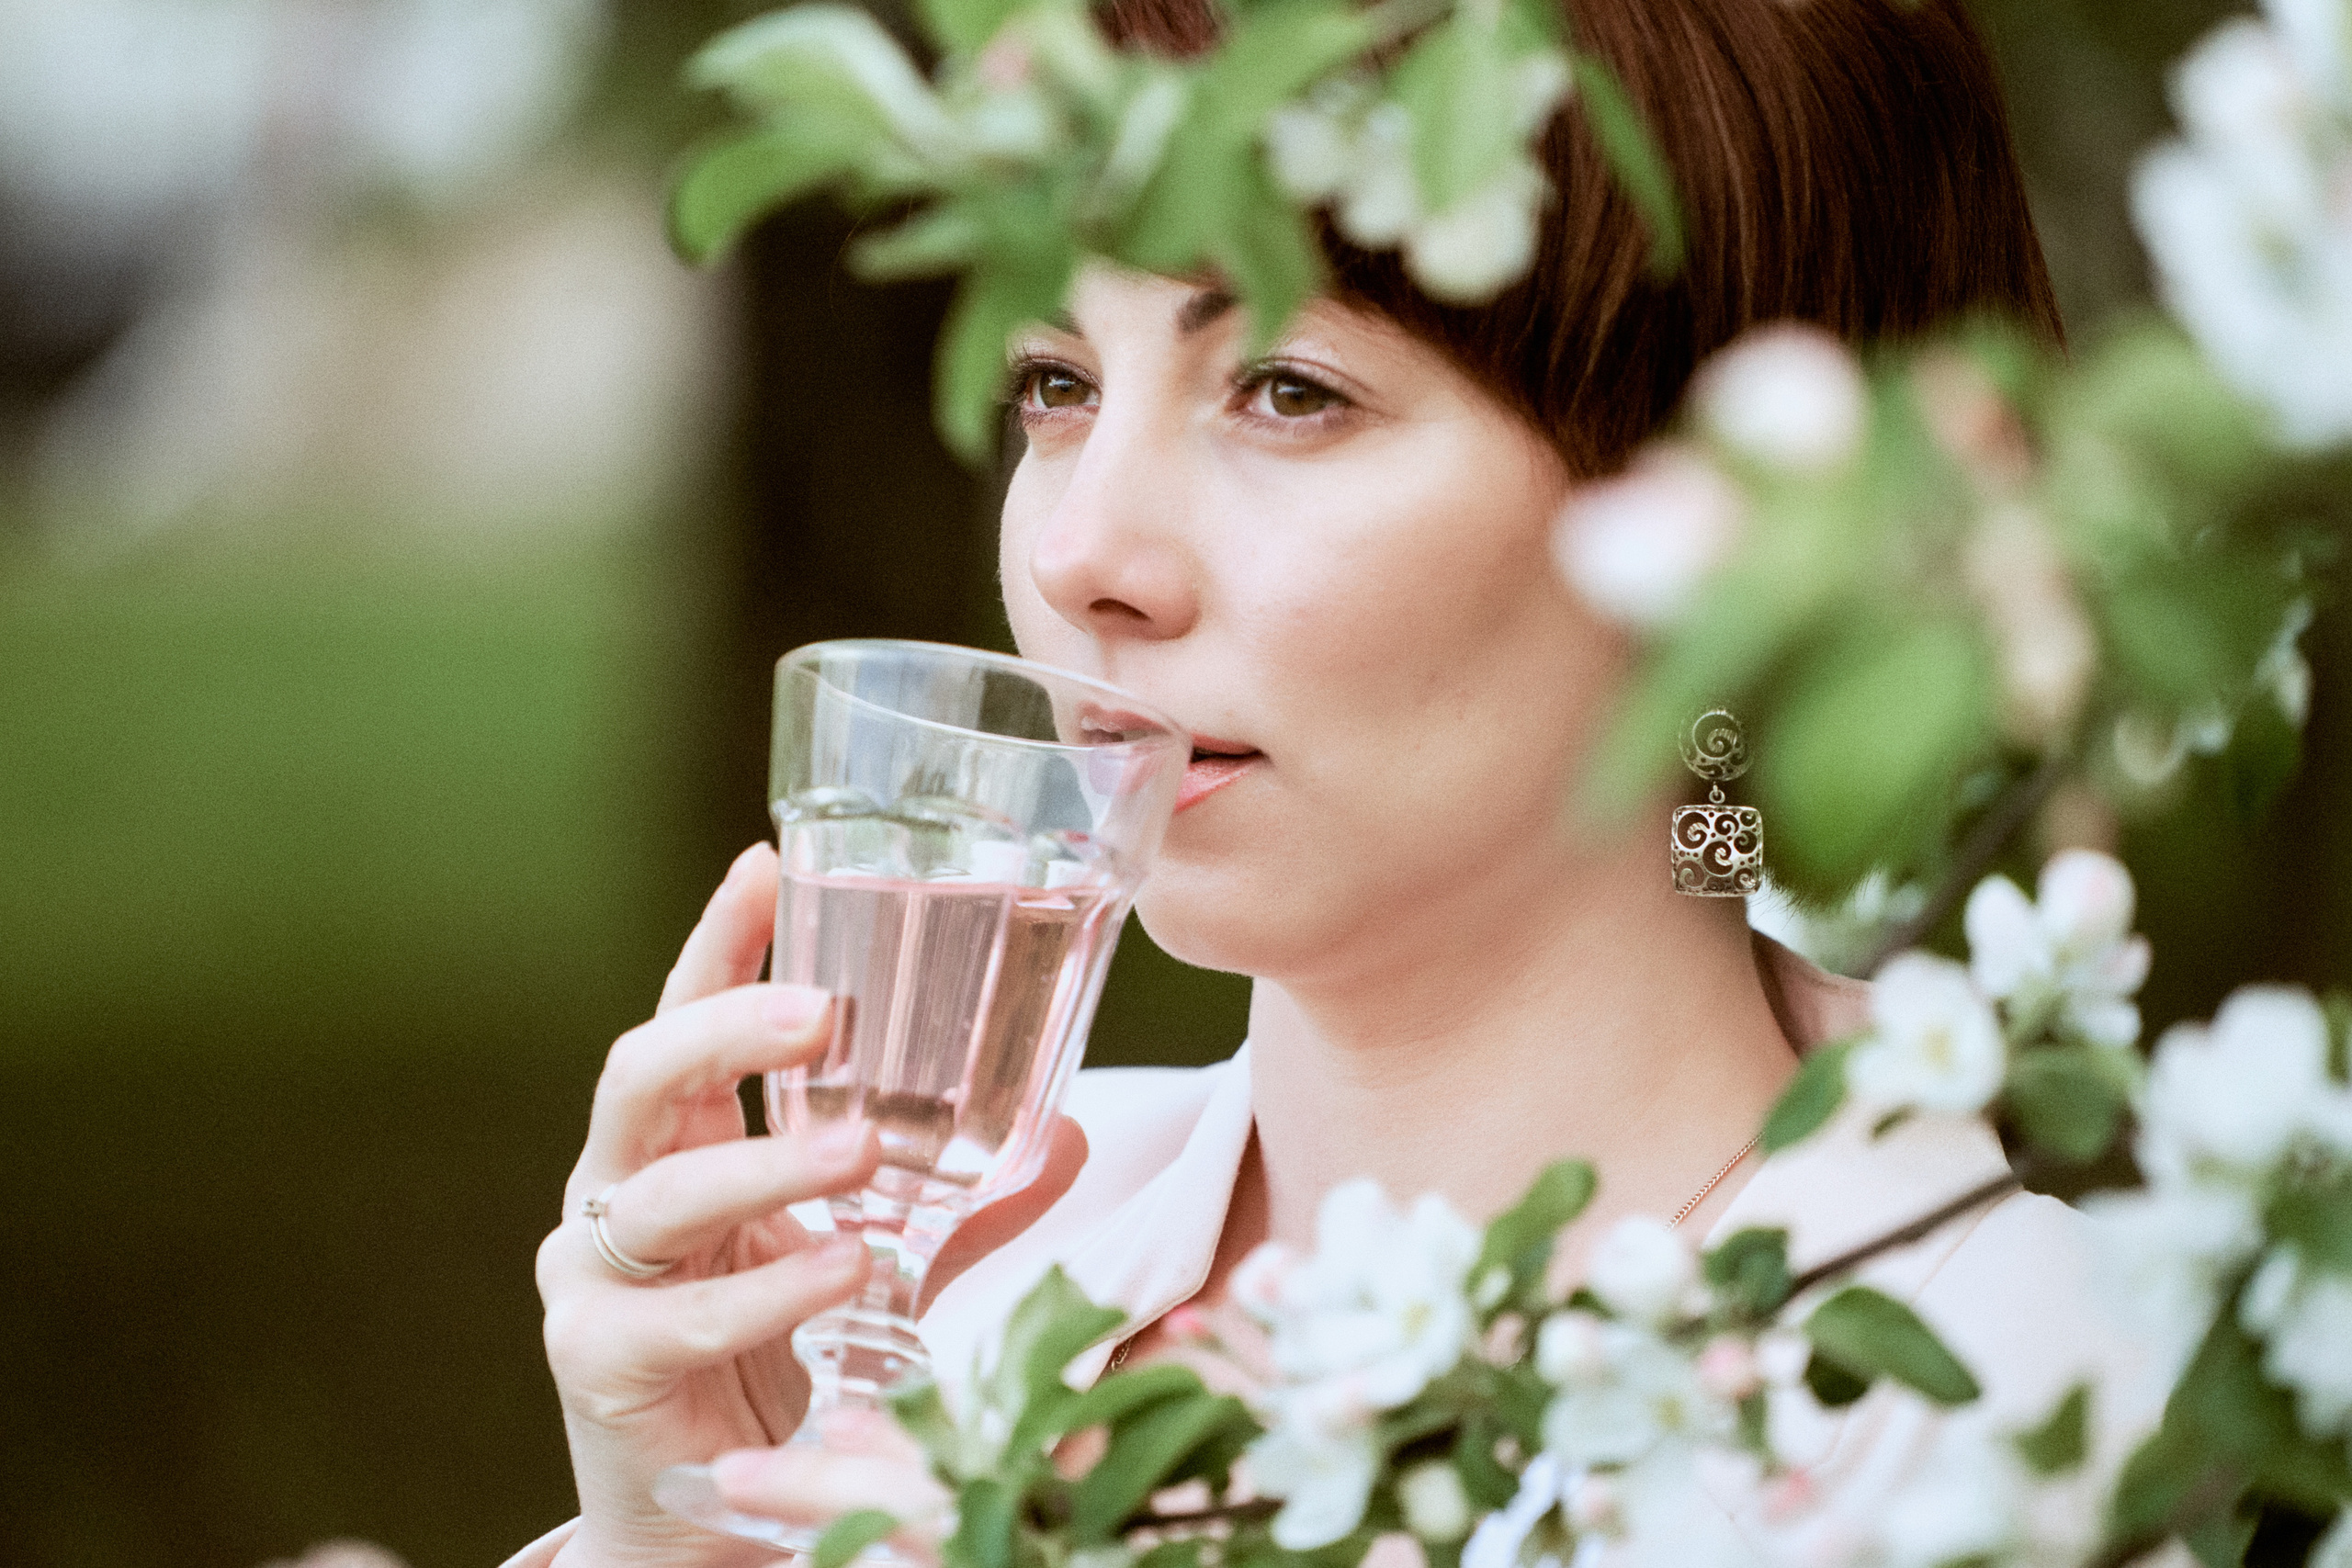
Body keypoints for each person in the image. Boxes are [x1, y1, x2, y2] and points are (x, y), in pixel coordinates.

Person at [506, 1, 2146, 1562]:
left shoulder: (2053, 1424)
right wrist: (691, 1546)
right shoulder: (928, 1286)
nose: (1082, 557)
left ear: (1741, 533)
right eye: (1057, 384)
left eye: (1289, 390)